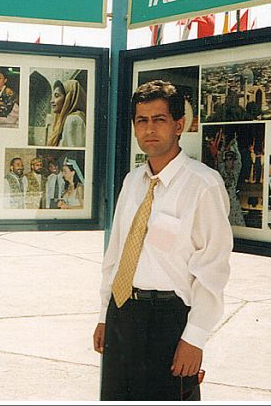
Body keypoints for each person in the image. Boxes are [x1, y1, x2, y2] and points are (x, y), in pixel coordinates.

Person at [93, 80, 233, 401]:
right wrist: (105, 315)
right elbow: (115, 255)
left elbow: (213, 269)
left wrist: (194, 338)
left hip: (168, 319)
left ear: (178, 125)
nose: (149, 129)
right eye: (142, 121)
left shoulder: (203, 186)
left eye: (159, 119)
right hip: (123, 312)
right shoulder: (133, 182)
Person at [217, 135, 246, 227]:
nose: (229, 162)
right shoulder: (222, 171)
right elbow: (219, 159)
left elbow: (239, 161)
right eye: (227, 160)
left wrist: (235, 145)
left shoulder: (235, 172)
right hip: (222, 200)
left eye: (231, 160)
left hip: (233, 201)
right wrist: (223, 144)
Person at [48, 79, 86, 147]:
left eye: (57, 96)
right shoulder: (66, 119)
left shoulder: (73, 120)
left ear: (68, 98)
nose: (52, 101)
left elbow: (74, 154)